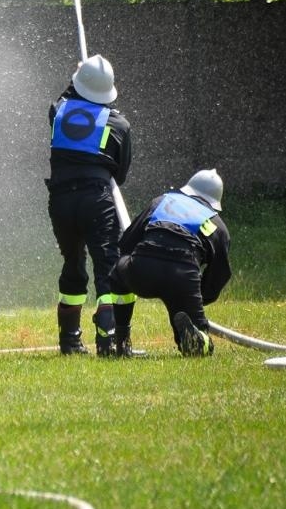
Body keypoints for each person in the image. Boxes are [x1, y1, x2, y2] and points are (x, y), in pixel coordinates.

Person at [47, 53, 133, 356]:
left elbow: (66, 97)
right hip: (96, 200)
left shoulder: (58, 112)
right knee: (109, 268)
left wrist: (78, 78)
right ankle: (110, 341)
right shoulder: (118, 124)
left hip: (60, 201)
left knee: (73, 264)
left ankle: (69, 341)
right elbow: (119, 175)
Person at [109, 169, 230, 357]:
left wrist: (135, 262)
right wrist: (197, 296)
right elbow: (219, 276)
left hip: (143, 268)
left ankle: (122, 340)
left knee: (117, 275)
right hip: (183, 277)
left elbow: (126, 243)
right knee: (194, 330)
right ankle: (198, 340)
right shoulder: (218, 225)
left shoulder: (161, 202)